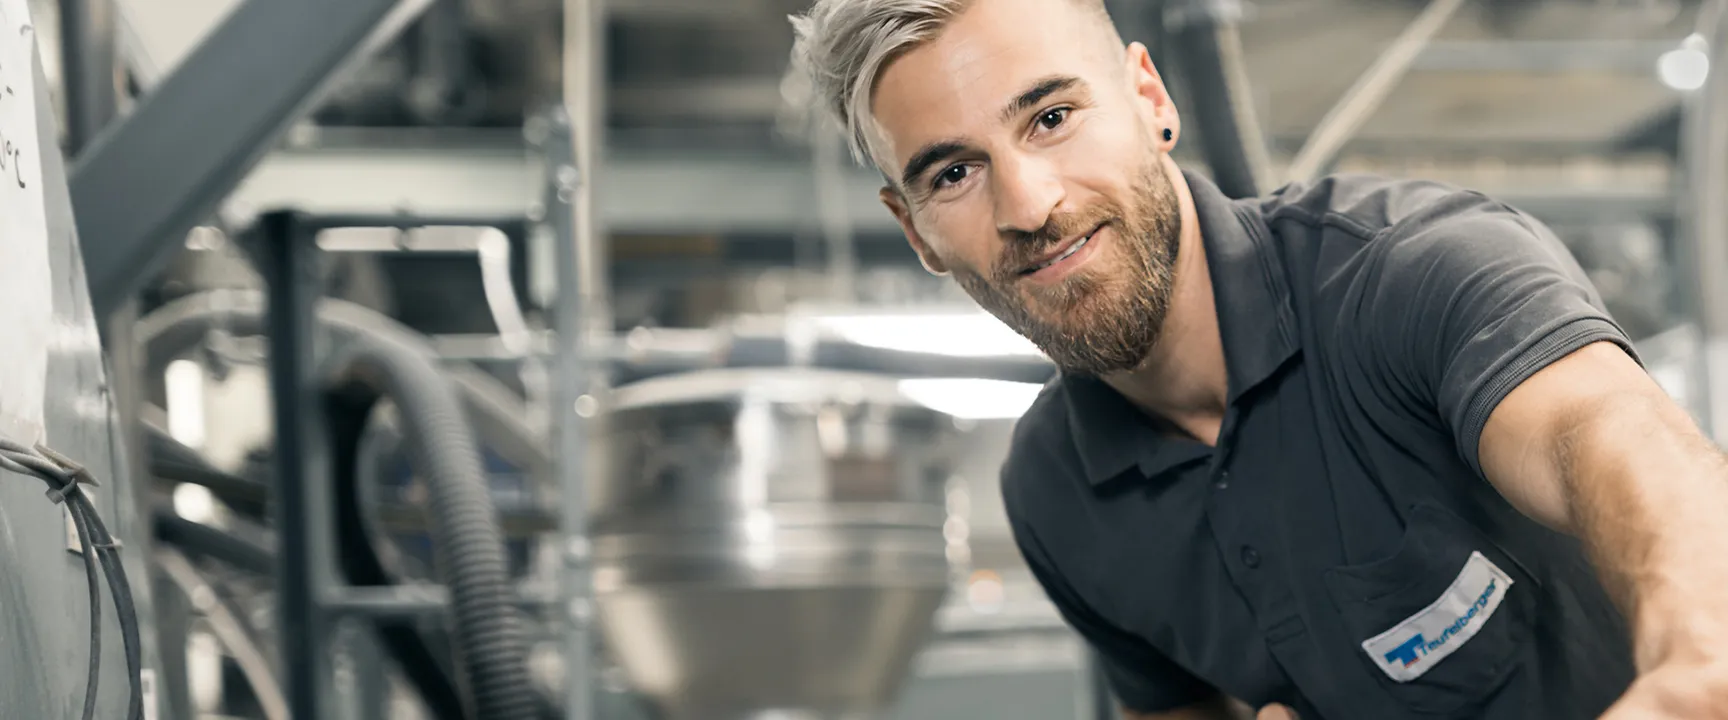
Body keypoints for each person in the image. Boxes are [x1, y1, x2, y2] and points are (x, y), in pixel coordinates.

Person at [787, 1, 1728, 719]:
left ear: (1149, 98)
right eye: (953, 173)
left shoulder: (1411, 272)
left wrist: (1696, 668)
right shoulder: (1052, 492)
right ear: (914, 230)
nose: (1029, 203)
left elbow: (1607, 435)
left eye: (1051, 117)